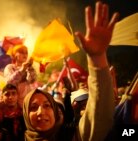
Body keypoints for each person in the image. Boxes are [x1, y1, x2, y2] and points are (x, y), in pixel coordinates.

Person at [22, 1, 119, 141]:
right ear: (25, 114)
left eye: (47, 105)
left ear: (55, 112)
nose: (40, 112)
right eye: (33, 107)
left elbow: (100, 115)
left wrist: (97, 59)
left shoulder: (73, 136)